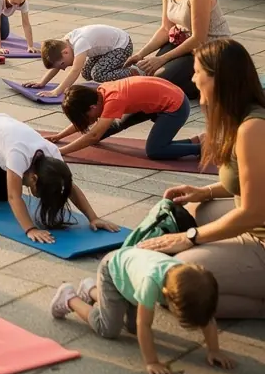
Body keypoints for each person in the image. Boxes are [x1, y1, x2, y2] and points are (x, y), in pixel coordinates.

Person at [138, 38, 265, 319]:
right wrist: (203, 192)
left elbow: (254, 211)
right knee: (189, 210)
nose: (193, 79)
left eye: (197, 72)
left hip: (260, 235)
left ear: (218, 79)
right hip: (251, 216)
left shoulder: (253, 129)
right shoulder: (239, 118)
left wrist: (190, 237)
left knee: (174, 286)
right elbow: (251, 186)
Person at [0, 113, 118, 244]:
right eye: (40, 192)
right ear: (33, 178)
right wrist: (30, 229)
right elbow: (14, 197)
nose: (39, 197)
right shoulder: (18, 155)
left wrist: (93, 217)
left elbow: (70, 187)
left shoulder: (52, 155)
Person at [50, 245, 232, 374]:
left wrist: (214, 350)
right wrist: (152, 362)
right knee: (109, 329)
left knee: (131, 329)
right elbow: (143, 324)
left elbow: (207, 320)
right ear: (167, 296)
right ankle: (69, 298)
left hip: (130, 277)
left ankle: (90, 289)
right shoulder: (151, 283)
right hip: (113, 274)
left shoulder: (188, 281)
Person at [127, 0, 229, 100]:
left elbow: (199, 39)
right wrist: (141, 54)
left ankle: (212, 82)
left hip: (209, 52)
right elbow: (166, 28)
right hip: (185, 45)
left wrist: (161, 59)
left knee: (159, 82)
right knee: (147, 73)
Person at [50, 75, 201, 161]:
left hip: (176, 106)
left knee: (155, 151)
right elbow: (86, 124)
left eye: (86, 116)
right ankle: (194, 140)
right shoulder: (99, 93)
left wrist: (62, 151)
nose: (88, 121)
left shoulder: (113, 100)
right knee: (106, 129)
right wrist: (59, 136)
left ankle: (204, 149)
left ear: (92, 107)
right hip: (160, 97)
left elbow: (93, 136)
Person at [26, 24, 134, 97]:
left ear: (65, 52)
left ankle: (134, 71)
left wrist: (56, 92)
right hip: (106, 49)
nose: (63, 68)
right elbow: (56, 65)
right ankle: (118, 68)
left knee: (98, 74)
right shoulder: (64, 44)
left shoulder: (80, 43)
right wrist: (42, 82)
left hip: (122, 45)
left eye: (63, 64)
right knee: (86, 73)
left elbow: (75, 70)